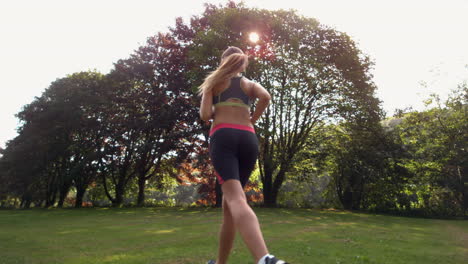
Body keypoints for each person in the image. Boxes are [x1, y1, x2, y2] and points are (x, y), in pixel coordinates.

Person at [199, 46, 288, 264]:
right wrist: (252, 119)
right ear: (241, 64)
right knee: (229, 207)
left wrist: (215, 107)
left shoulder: (213, 83)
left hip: (224, 137)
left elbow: (204, 115)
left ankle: (266, 259)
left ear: (223, 61)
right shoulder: (249, 84)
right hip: (248, 139)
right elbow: (266, 97)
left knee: (236, 199)